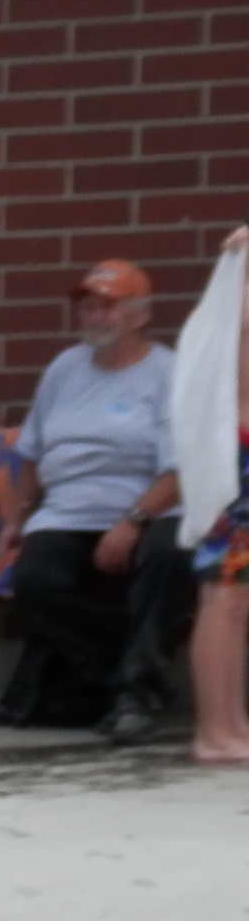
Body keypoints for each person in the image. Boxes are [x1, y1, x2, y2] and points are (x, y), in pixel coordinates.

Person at [0, 259, 193, 739]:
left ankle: (134, 696)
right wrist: (15, 521)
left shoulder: (169, 372)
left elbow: (181, 470)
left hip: (151, 510)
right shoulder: (64, 368)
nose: (94, 316)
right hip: (66, 512)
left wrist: (131, 522)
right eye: (87, 307)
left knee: (168, 556)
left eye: (107, 306)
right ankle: (126, 679)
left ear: (141, 314)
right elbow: (30, 455)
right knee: (35, 580)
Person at [185, 227, 249, 768]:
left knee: (239, 600)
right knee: (223, 596)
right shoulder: (237, 292)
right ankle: (213, 730)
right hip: (235, 460)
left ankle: (233, 722)